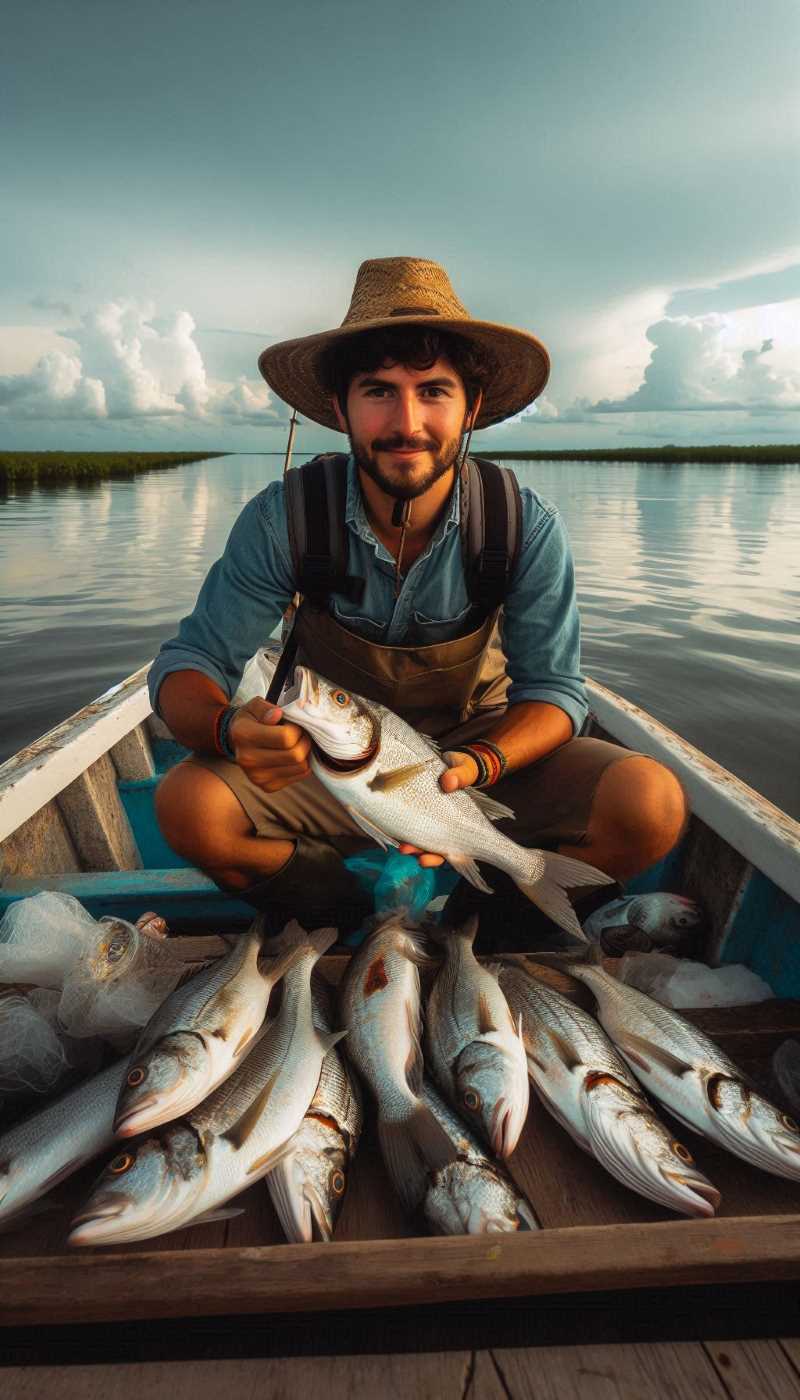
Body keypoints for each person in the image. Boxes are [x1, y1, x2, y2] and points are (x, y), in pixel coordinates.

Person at [149, 257, 686, 941]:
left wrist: (476, 768)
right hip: (323, 760)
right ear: (340, 408)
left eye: (434, 391)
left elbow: (556, 693)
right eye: (379, 391)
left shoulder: (523, 525)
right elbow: (190, 663)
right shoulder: (284, 518)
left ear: (472, 409)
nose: (407, 422)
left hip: (477, 755)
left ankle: (481, 924)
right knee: (189, 807)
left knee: (651, 804)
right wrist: (230, 731)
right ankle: (341, 916)